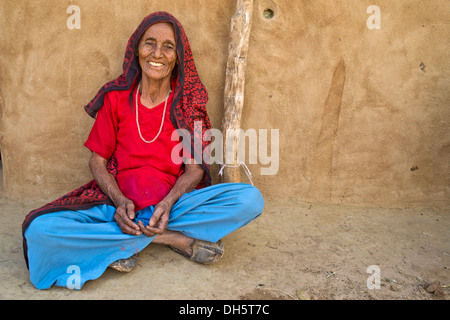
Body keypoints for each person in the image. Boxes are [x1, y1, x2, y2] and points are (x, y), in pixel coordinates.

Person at [21, 11, 264, 290]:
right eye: (149, 43)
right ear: (136, 49)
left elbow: (195, 169)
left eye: (168, 46)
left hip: (173, 206)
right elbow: (97, 162)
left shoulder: (187, 104)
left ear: (177, 57)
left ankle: (123, 242)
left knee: (250, 199)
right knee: (39, 230)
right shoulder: (116, 98)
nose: (157, 53)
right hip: (116, 205)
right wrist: (120, 201)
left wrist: (167, 203)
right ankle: (172, 239)